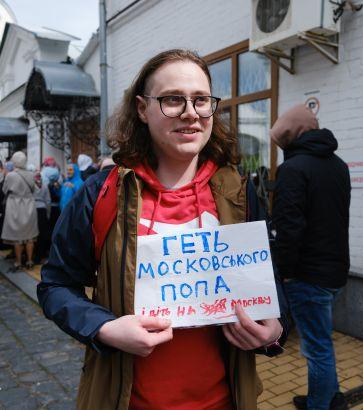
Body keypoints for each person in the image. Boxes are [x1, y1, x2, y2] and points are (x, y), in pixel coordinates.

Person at [38, 49, 290, 409]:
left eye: (201, 100)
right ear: (142, 109)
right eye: (173, 99)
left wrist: (276, 330)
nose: (190, 113)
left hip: (225, 401)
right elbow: (55, 285)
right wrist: (105, 329)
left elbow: (271, 279)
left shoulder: (238, 193)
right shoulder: (102, 192)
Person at [270, 104, 351, 410]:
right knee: (322, 343)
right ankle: (330, 396)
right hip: (335, 270)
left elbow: (288, 227)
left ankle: (320, 405)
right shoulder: (339, 165)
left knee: (316, 348)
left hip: (307, 274)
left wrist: (286, 271)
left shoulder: (293, 169)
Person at [1, 151, 38, 271]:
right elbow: (34, 189)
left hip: (15, 206)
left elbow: (4, 190)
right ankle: (30, 260)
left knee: (17, 236)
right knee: (30, 235)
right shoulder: (31, 174)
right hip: (29, 205)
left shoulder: (10, 175)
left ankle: (18, 261)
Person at [33, 172, 51, 264]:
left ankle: (33, 256)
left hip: (32, 210)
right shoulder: (44, 186)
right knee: (42, 234)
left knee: (33, 234)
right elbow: (48, 201)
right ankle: (40, 256)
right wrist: (48, 214)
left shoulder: (31, 186)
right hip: (42, 210)